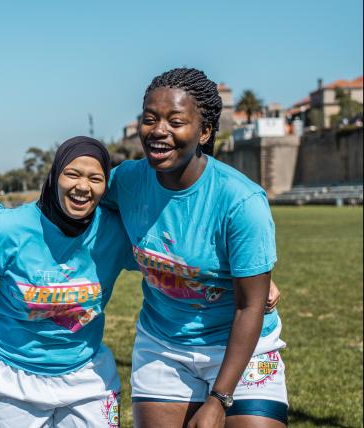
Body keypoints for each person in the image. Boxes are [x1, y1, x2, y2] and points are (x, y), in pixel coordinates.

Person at [104, 68, 288, 427]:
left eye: (176, 121)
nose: (159, 131)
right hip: (164, 346)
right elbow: (71, 200)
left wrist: (219, 400)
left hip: (244, 345)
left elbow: (250, 305)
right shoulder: (126, 182)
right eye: (150, 119)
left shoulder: (240, 200)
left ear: (204, 131)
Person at [0, 136, 134, 427]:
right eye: (72, 174)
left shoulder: (116, 231)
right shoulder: (11, 228)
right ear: (54, 175)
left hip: (85, 372)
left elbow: (169, 266)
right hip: (11, 372)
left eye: (95, 178)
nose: (82, 186)